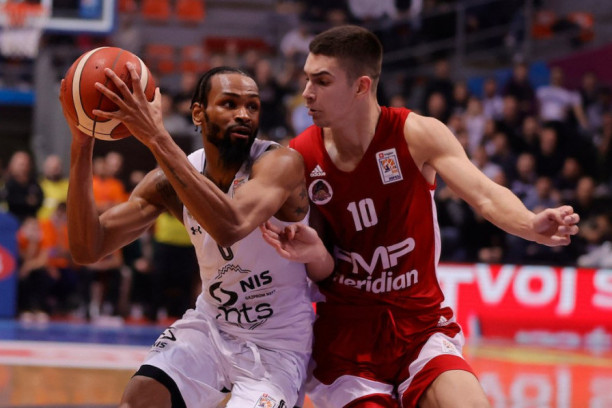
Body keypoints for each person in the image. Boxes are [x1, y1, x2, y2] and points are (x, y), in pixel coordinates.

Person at [261, 25, 580, 408]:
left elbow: (484, 194)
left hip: (420, 326)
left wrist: (529, 223)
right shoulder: (300, 156)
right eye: (307, 79)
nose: (307, 93)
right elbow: (319, 267)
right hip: (347, 342)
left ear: (361, 86)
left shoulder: (416, 134)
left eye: (322, 81)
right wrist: (310, 253)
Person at [59, 65, 333, 407]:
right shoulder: (170, 180)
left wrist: (157, 136)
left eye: (252, 106)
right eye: (229, 104)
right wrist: (82, 143)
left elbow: (230, 226)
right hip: (211, 327)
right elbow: (88, 247)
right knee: (139, 401)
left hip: (277, 343)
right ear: (198, 113)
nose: (243, 114)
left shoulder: (280, 163)